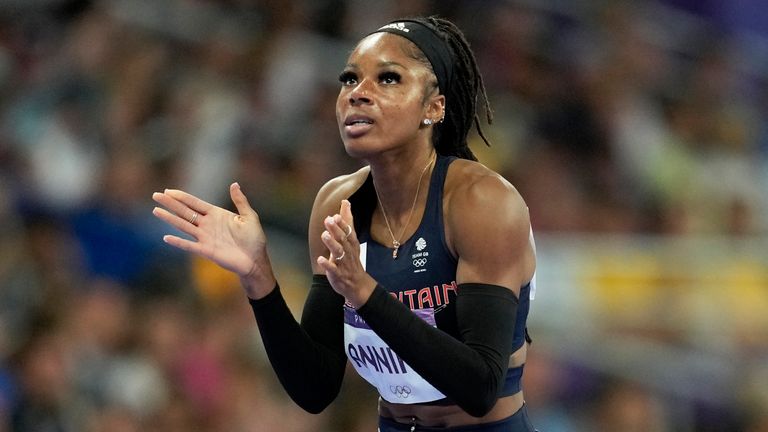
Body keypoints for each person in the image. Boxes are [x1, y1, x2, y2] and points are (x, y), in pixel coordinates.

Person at [152, 16, 537, 431]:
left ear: (434, 106)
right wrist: (258, 275)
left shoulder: (480, 202)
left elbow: (480, 387)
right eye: (349, 79)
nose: (359, 94)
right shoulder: (338, 204)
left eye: (388, 79)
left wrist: (365, 292)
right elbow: (316, 388)